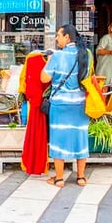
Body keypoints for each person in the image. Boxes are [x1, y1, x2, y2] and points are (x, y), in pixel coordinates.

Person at [40, 24, 90, 188]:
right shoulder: (86, 54)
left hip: (60, 104)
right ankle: (81, 177)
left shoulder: (57, 56)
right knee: (80, 138)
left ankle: (59, 179)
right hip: (80, 104)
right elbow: (89, 77)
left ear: (67, 37)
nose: (56, 38)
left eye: (58, 35)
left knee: (58, 139)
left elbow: (44, 79)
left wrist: (48, 63)